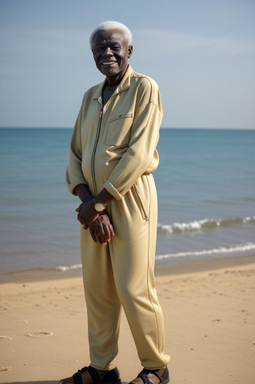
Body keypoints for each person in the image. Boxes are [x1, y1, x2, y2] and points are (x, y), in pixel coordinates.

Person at [59, 21, 170, 384]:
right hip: (93, 206)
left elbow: (138, 154)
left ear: (129, 51)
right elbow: (75, 155)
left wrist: (100, 203)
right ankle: (102, 369)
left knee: (133, 287)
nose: (106, 53)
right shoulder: (89, 95)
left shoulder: (144, 88)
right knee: (99, 290)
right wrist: (89, 205)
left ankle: (157, 368)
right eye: (99, 49)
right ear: (92, 55)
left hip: (130, 198)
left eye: (113, 47)